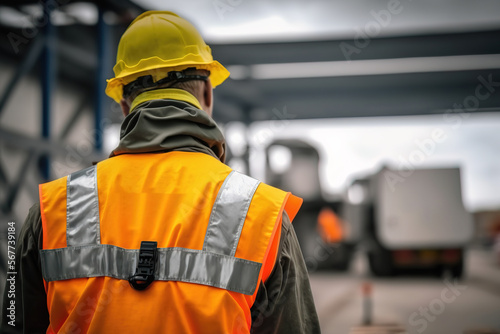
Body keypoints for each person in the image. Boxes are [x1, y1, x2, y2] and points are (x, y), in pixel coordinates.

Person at [1, 11, 320, 333]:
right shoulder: (262, 215)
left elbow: (15, 324)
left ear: (125, 105)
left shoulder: (52, 211)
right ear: (207, 94)